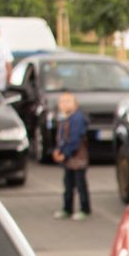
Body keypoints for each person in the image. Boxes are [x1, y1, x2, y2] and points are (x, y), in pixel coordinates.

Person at [52, 93, 91, 221]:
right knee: (68, 184)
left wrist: (65, 154)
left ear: (75, 104)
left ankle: (85, 208)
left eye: (68, 101)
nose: (64, 104)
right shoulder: (65, 119)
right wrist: (58, 151)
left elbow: (75, 140)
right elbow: (62, 139)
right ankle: (67, 208)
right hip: (68, 158)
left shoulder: (77, 119)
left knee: (80, 185)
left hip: (77, 158)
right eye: (62, 101)